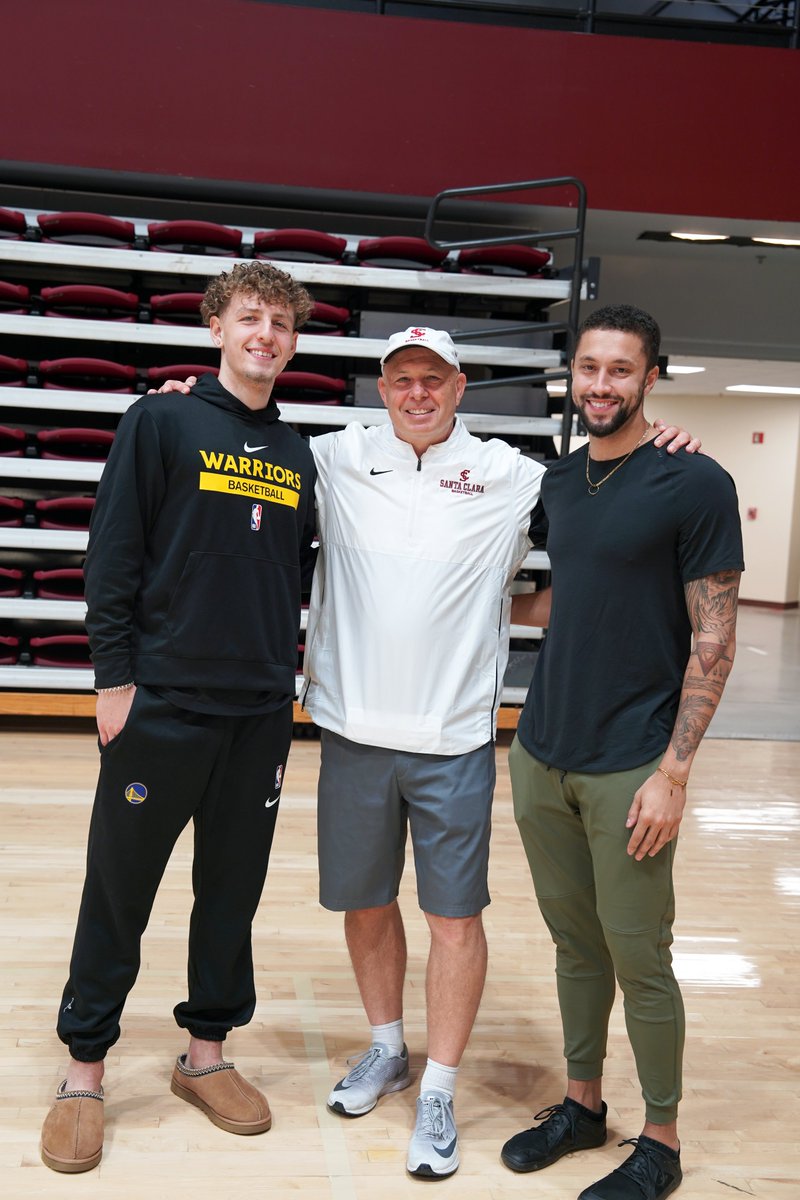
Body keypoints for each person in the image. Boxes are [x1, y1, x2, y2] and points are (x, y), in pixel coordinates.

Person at [152, 324, 697, 1180]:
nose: (417, 393)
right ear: (381, 388)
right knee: (365, 905)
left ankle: (438, 1087)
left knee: (454, 919)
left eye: (432, 379)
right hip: (352, 728)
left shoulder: (517, 475)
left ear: (459, 385)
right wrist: (189, 407)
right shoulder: (330, 457)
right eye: (401, 378)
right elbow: (231, 450)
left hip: (454, 740)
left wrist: (664, 436)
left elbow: (609, 488)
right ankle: (386, 1050)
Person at [40, 262, 317, 1174]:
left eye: (281, 322)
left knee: (230, 896)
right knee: (118, 893)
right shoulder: (158, 421)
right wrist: (113, 682)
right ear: (215, 327)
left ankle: (206, 1057)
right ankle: (84, 1072)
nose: (265, 335)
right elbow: (112, 555)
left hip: (259, 715)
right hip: (160, 703)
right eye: (249, 317)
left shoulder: (299, 453)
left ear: (293, 339)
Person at [502, 305, 743, 1200]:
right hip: (541, 753)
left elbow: (712, 639)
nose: (601, 384)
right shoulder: (560, 482)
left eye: (621, 370)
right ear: (572, 373)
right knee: (575, 945)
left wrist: (674, 772)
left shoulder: (695, 482)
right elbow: (575, 597)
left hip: (633, 766)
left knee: (640, 955)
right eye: (589, 368)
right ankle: (582, 1104)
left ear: (652, 378)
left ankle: (664, 1142)